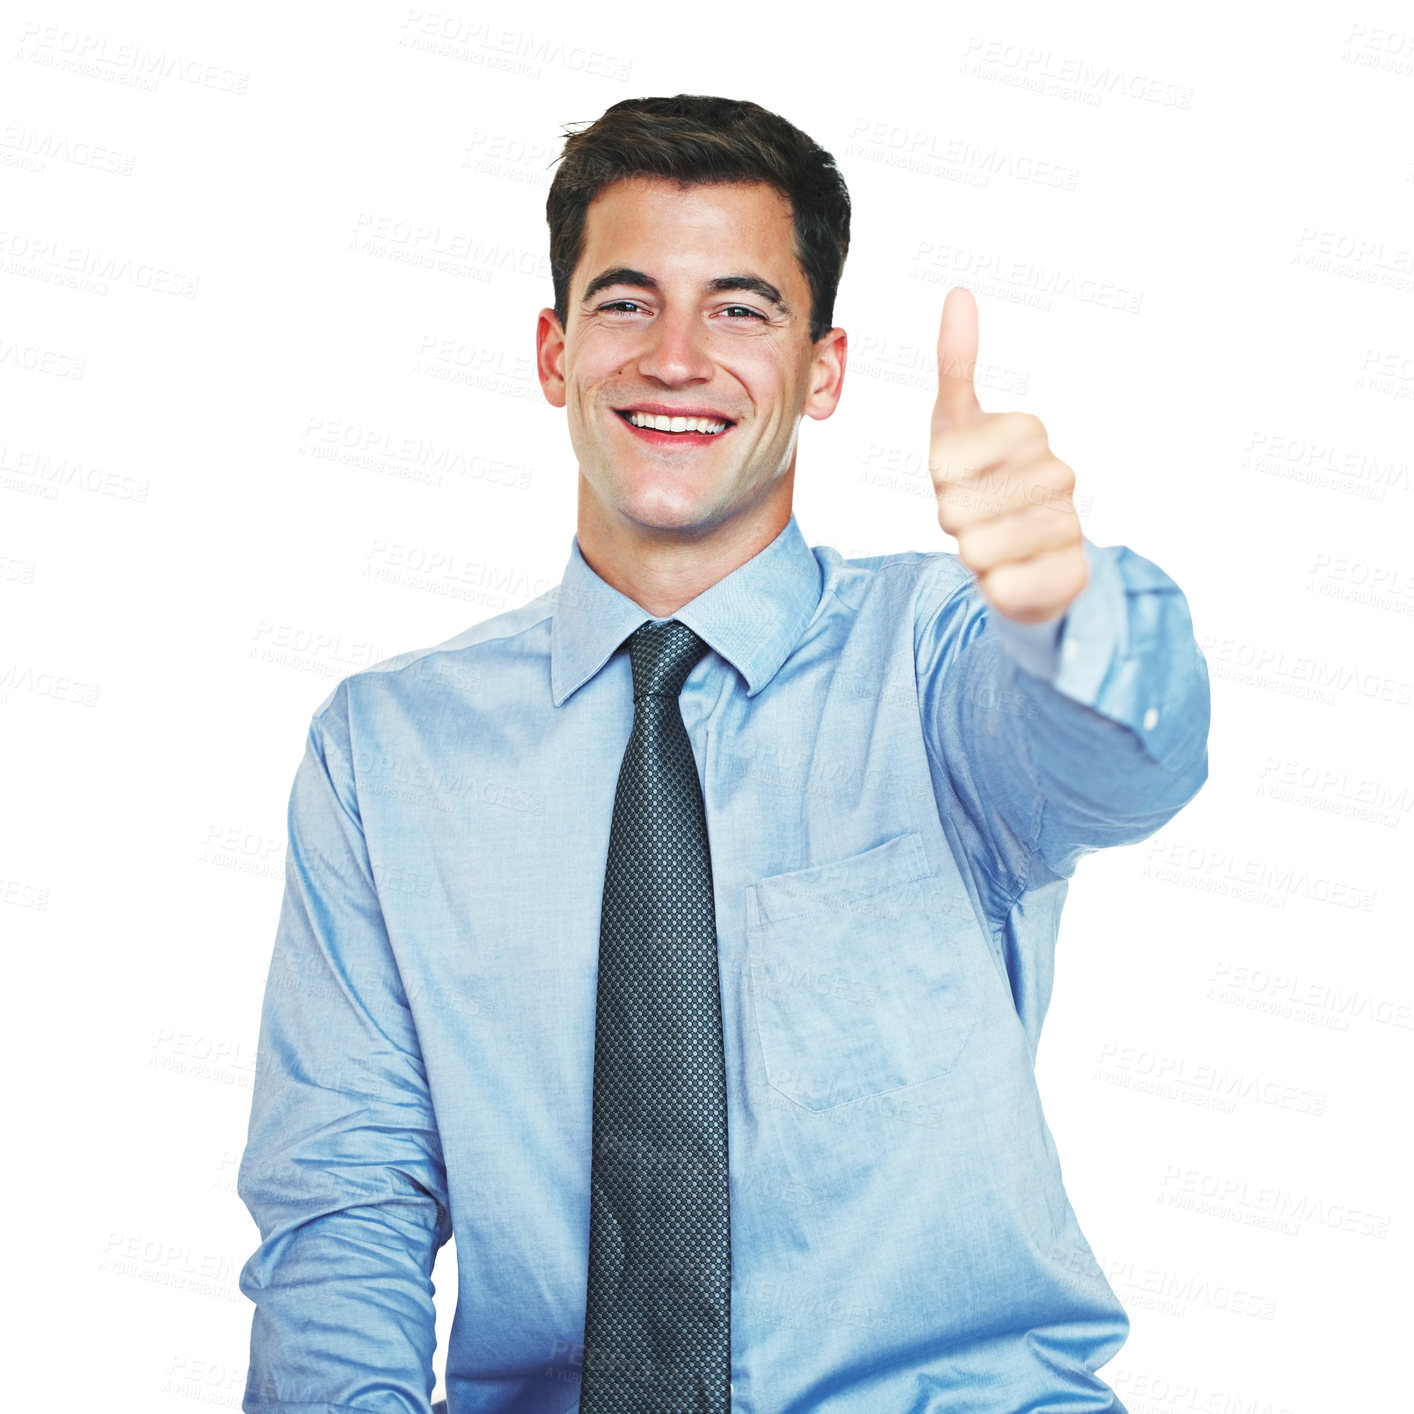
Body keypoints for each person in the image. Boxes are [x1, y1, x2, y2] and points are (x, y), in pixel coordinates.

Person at [236, 94, 1210, 1414]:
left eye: (741, 309)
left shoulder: (938, 660)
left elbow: (1123, 764)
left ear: (822, 370)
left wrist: (1065, 604)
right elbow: (347, 1198)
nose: (677, 357)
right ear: (551, 350)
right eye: (627, 303)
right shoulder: (387, 749)